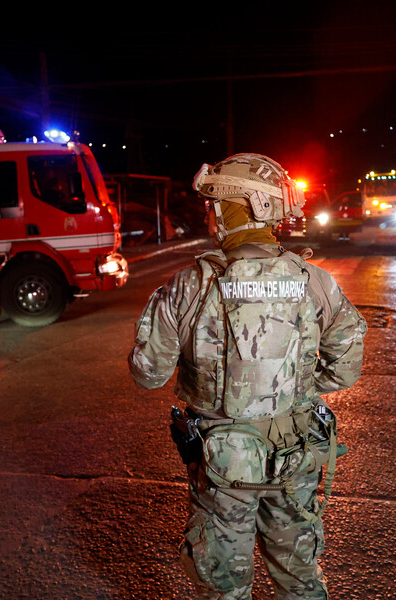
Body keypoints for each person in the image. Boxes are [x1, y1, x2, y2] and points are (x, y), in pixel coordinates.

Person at [129, 153, 367, 599]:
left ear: (237, 208)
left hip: (224, 465)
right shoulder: (315, 281)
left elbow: (148, 374)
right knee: (299, 579)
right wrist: (292, 388)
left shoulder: (189, 285)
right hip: (297, 455)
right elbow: (346, 367)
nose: (208, 214)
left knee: (225, 586)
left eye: (213, 205)